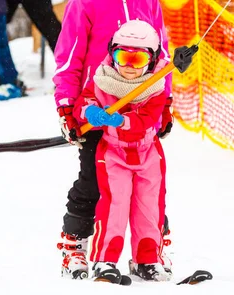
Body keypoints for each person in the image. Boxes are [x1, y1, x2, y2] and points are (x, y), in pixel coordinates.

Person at [53, 0, 173, 280]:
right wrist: (67, 105)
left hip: (143, 108)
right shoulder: (84, 3)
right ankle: (75, 243)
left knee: (148, 185)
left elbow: (162, 53)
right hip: (97, 106)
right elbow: (69, 57)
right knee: (94, 180)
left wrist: (165, 100)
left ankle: (152, 249)